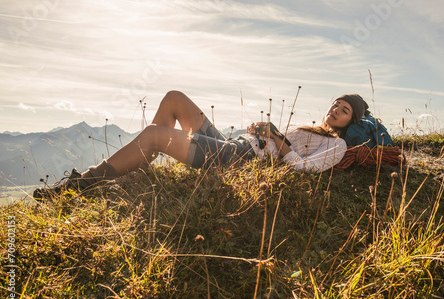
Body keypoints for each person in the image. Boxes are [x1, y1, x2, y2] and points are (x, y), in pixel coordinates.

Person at [33, 91, 371, 200]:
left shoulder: (337, 147)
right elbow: (278, 144)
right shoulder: (308, 127)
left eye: (344, 110)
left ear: (350, 122)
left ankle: (81, 184)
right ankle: (141, 162)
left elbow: (302, 166)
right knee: (175, 98)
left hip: (240, 159)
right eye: (336, 104)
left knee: (154, 134)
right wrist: (264, 130)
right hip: (238, 144)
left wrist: (277, 139)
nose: (335, 110)